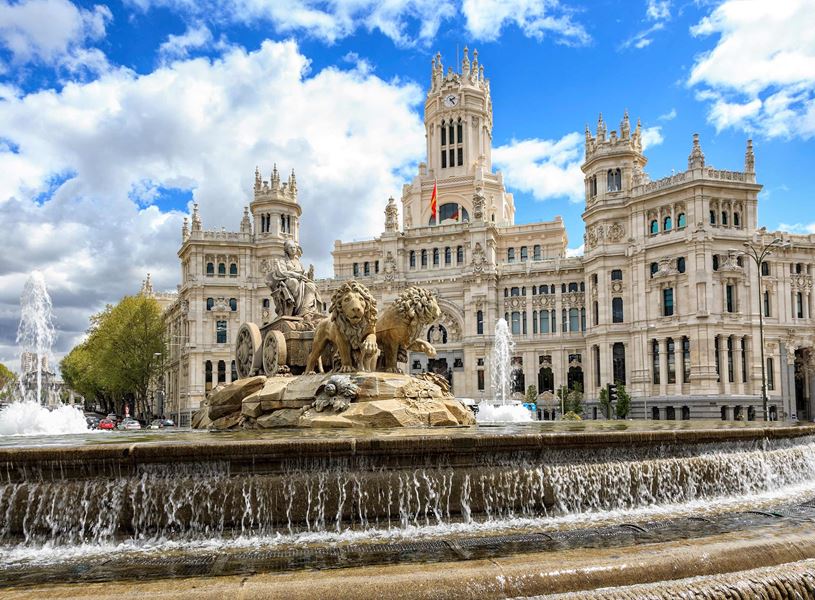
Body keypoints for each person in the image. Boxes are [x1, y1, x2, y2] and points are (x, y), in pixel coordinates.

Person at [266, 239, 321, 317]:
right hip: (287, 281)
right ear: (287, 250)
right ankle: (294, 307)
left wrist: (310, 273)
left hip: (301, 281)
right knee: (294, 282)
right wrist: (295, 275)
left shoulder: (298, 262)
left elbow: (304, 275)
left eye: (294, 248)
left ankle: (305, 309)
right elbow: (282, 272)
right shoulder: (282, 261)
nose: (293, 249)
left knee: (311, 286)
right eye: (290, 248)